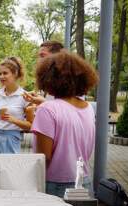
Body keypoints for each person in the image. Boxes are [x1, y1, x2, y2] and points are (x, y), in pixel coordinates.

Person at [31, 51, 98, 198]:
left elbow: (43, 157)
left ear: (48, 78)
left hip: (56, 185)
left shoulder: (47, 109)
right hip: (84, 181)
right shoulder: (87, 107)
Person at [0, 57, 34, 154]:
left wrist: (13, 120)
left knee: (9, 167)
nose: (1, 76)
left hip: (11, 137)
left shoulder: (25, 96)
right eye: (0, 74)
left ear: (15, 74)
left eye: (5, 73)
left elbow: (30, 126)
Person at [23, 40, 64, 105]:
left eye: (42, 56)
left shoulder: (70, 83)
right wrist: (35, 97)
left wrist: (43, 102)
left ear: (57, 57)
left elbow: (72, 111)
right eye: (38, 56)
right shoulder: (46, 80)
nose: (38, 60)